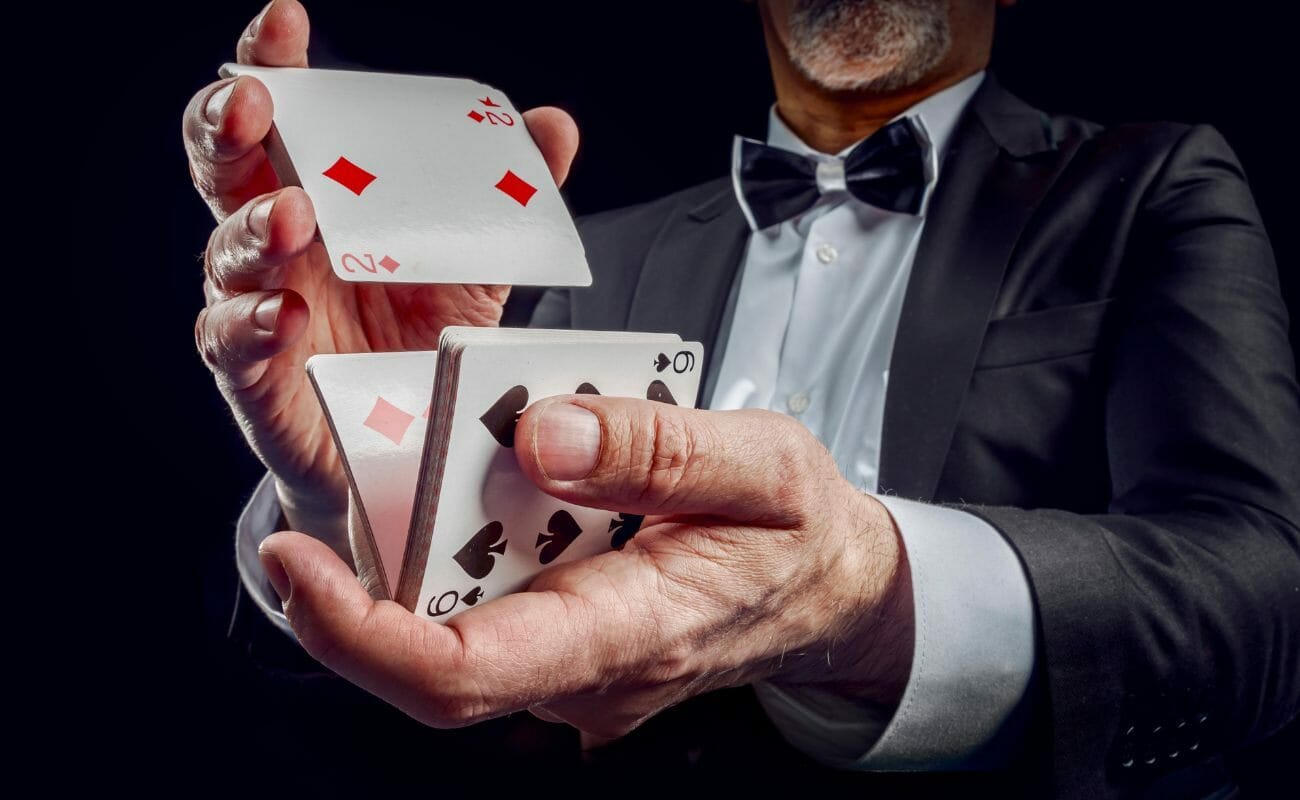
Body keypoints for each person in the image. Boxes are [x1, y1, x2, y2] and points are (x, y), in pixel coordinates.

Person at [185, 0, 1300, 797]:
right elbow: (448, 681)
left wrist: (863, 595)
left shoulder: (1150, 185)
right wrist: (362, 497)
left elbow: (1265, 597)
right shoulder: (594, 256)